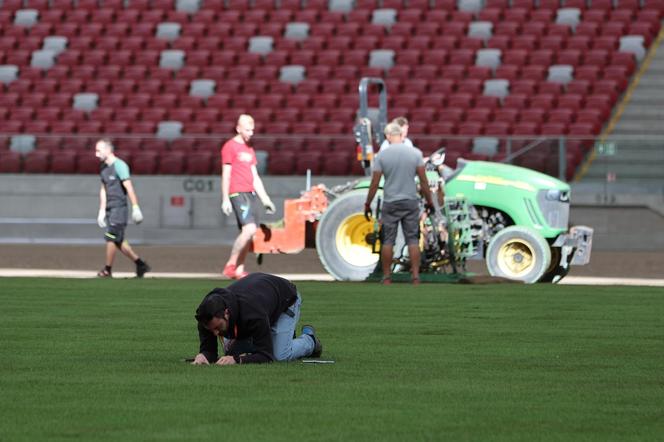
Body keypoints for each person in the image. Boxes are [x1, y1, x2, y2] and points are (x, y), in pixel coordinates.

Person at [191, 272, 322, 365]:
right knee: (231, 351)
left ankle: (310, 340)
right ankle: (282, 337)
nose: (215, 333)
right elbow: (210, 352)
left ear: (226, 313)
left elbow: (266, 355)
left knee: (280, 355)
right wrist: (204, 355)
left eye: (218, 327)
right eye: (211, 329)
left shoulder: (252, 313)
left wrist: (238, 360)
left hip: (286, 299)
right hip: (263, 297)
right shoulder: (206, 318)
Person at [364, 123, 435, 285]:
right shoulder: (415, 153)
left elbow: (374, 183)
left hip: (390, 202)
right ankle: (415, 276)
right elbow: (424, 181)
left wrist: (367, 203)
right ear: (401, 135)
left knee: (388, 241)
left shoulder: (382, 156)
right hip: (410, 201)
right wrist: (429, 201)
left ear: (388, 136)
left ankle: (387, 277)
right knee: (413, 240)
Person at [220, 114, 276, 280]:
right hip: (238, 193)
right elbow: (226, 174)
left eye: (252, 130)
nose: (251, 133)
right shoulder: (229, 146)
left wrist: (265, 198)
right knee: (249, 229)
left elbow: (255, 175)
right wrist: (225, 198)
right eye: (247, 130)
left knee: (249, 233)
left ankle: (239, 268)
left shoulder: (249, 147)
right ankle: (230, 265)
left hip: (250, 193)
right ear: (238, 128)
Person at [95, 138, 150, 278]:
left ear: (108, 150)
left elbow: (129, 187)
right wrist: (101, 210)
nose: (96, 154)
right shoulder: (103, 168)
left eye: (98, 150)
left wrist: (136, 207)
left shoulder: (120, 166)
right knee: (118, 241)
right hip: (110, 208)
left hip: (119, 208)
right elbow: (103, 189)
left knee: (110, 237)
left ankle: (107, 269)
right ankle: (140, 264)